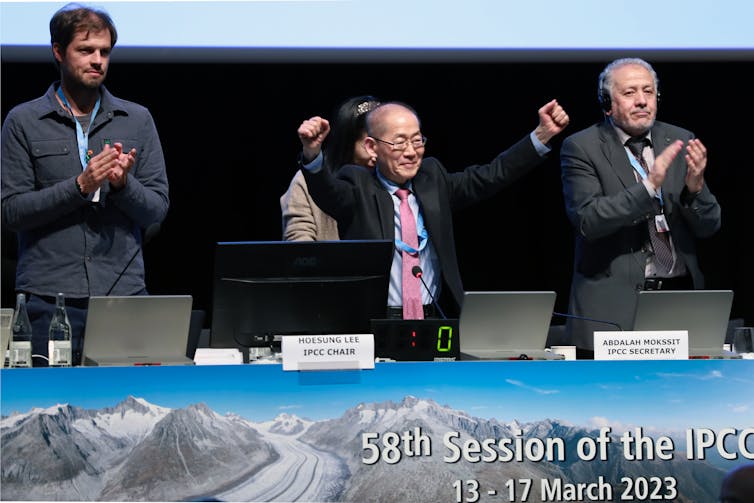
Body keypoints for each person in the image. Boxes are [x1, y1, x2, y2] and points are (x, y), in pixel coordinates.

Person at [1, 2, 169, 366]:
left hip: (123, 295)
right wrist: (79, 186)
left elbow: (156, 209)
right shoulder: (24, 121)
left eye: (105, 52)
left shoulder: (136, 119)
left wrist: (123, 185)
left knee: (129, 416)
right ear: (58, 52)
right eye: (86, 50)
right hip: (48, 300)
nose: (98, 61)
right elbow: (11, 212)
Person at [300, 99, 569, 319]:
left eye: (417, 141)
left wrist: (541, 136)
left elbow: (490, 176)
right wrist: (313, 154)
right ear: (372, 147)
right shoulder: (357, 184)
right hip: (378, 320)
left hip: (435, 316)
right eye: (399, 142)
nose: (410, 152)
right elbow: (328, 193)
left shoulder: (432, 179)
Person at [560, 58, 721, 358]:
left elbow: (709, 226)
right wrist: (648, 188)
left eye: (648, 91)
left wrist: (696, 187)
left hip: (679, 300)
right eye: (630, 92)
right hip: (613, 309)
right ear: (607, 103)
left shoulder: (680, 139)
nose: (642, 100)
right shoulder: (582, 147)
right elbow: (588, 220)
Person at [281, 95, 380, 241]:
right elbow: (299, 245)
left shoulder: (394, 180)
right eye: (369, 144)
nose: (376, 151)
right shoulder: (306, 182)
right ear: (346, 143)